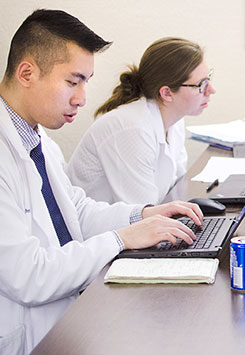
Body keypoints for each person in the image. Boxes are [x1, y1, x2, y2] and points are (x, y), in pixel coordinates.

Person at [0, 10, 203, 354]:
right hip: (32, 336)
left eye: (85, 82)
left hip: (71, 313)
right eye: (72, 81)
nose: (81, 98)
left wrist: (144, 216)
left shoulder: (37, 139)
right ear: (27, 73)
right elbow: (28, 277)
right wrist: (120, 239)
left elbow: (75, 211)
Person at [67, 37, 215, 204]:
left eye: (209, 78)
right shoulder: (132, 129)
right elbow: (142, 214)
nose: (211, 90)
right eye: (201, 85)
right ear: (166, 93)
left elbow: (176, 189)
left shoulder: (174, 121)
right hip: (101, 228)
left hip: (139, 223)